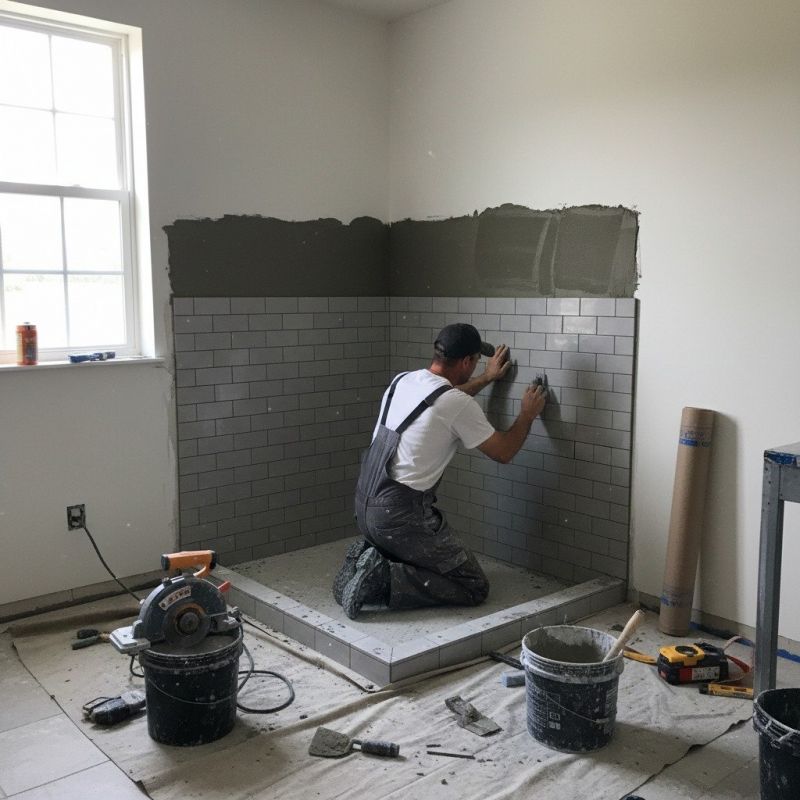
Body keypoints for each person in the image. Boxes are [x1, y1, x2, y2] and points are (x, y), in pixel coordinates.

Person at [332, 322, 547, 620]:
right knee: (473, 585)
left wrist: (487, 378)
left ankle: (372, 556)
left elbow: (442, 399)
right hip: (399, 518)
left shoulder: (403, 381)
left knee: (422, 555)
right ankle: (380, 579)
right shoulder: (455, 403)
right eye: (476, 363)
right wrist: (527, 414)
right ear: (467, 362)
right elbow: (504, 452)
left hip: (365, 505)